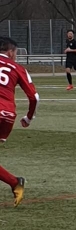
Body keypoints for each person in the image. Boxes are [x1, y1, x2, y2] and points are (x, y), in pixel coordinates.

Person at [0, 37, 39, 206]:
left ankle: (15, 182)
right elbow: (34, 97)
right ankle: (15, 182)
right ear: (10, 52)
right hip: (8, 115)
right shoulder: (17, 68)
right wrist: (29, 118)